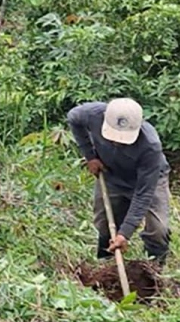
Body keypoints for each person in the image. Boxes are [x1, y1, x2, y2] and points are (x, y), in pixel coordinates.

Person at [68, 99, 170, 264]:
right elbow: (73, 118)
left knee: (158, 229)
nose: (116, 142)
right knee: (104, 223)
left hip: (148, 180)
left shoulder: (150, 147)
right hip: (111, 174)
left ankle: (153, 272)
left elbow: (143, 195)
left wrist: (125, 233)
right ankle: (106, 266)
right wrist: (90, 156)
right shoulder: (92, 114)